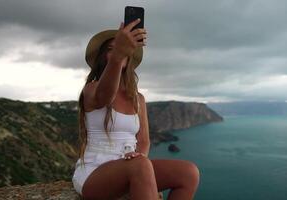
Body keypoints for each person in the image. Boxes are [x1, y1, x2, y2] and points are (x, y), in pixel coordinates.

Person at [72, 18, 200, 200]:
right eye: (111, 49)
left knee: (189, 173)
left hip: (132, 167)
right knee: (141, 164)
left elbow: (144, 141)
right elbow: (105, 96)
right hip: (95, 173)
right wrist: (118, 55)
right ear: (102, 57)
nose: (118, 52)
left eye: (122, 49)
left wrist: (139, 159)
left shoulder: (138, 99)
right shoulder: (92, 89)